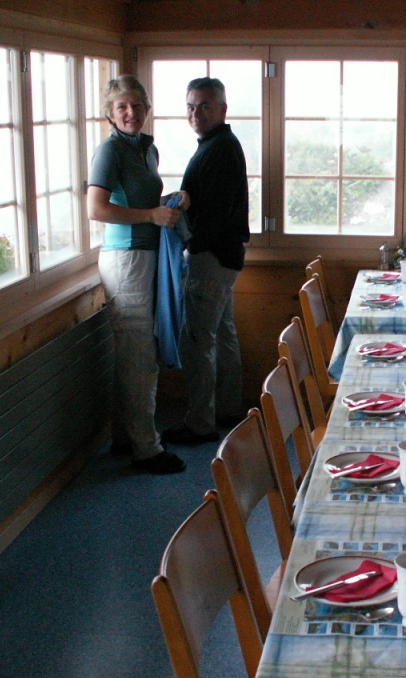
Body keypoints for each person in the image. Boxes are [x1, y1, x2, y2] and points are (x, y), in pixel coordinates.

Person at [87, 74, 187, 474]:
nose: (131, 112)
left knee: (136, 353)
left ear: (147, 108)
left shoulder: (146, 148)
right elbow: (96, 208)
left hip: (146, 257)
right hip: (124, 259)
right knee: (140, 357)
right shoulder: (109, 151)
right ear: (110, 113)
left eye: (137, 105)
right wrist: (150, 215)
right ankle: (147, 449)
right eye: (122, 106)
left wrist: (168, 202)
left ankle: (126, 436)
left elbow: (143, 199)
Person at [162, 77, 250, 445]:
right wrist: (185, 197)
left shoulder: (220, 149)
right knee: (222, 333)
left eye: (205, 106)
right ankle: (228, 409)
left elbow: (214, 213)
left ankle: (200, 422)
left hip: (211, 257)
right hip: (224, 256)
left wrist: (191, 245)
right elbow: (207, 200)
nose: (196, 113)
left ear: (223, 109)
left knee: (198, 341)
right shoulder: (217, 145)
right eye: (191, 106)